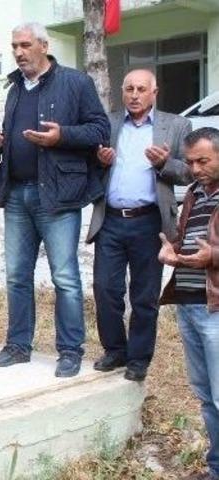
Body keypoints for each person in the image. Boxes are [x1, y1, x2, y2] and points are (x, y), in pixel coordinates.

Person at [0, 22, 109, 377]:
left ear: (43, 45)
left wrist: (62, 136)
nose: (19, 52)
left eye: (25, 45)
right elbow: (18, 136)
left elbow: (100, 130)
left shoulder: (75, 82)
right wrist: (1, 142)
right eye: (14, 46)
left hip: (58, 195)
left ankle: (70, 351)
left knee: (65, 276)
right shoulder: (15, 88)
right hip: (19, 193)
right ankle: (18, 345)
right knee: (17, 276)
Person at [87, 69, 192, 382]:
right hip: (111, 220)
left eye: (141, 89)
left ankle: (138, 359)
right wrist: (100, 162)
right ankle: (115, 350)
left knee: (144, 297)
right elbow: (89, 166)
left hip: (150, 223)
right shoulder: (109, 122)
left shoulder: (175, 125)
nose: (134, 95)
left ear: (154, 92)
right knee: (105, 290)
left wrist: (164, 164)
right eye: (129, 89)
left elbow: (189, 171)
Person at [157, 127, 219, 480]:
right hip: (190, 303)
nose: (194, 169)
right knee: (207, 397)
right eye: (191, 161)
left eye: (203, 161)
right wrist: (173, 251)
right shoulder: (195, 193)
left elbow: (211, 251)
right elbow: (187, 241)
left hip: (216, 309)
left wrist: (214, 255)